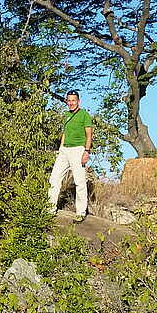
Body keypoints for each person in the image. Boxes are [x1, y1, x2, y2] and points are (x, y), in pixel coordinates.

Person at [48, 91, 93, 219]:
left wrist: (86, 151)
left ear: (78, 101)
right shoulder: (66, 115)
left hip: (78, 150)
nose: (71, 103)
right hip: (65, 150)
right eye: (69, 100)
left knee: (79, 181)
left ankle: (80, 212)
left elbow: (89, 135)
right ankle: (49, 209)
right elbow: (65, 133)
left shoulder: (84, 115)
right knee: (54, 178)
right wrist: (60, 148)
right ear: (67, 101)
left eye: (73, 100)